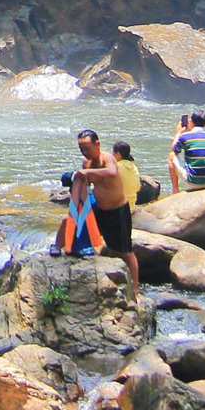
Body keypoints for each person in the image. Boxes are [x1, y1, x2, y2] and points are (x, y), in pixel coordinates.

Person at [70, 129, 138, 302]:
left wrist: (87, 174)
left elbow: (112, 172)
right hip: (99, 210)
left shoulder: (107, 158)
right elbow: (84, 185)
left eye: (87, 147)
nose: (84, 152)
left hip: (117, 210)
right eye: (81, 148)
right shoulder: (87, 163)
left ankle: (135, 291)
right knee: (91, 243)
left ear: (97, 144)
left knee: (126, 252)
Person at [169, 108, 205, 193]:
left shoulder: (185, 136)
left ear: (191, 122)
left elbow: (174, 148)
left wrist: (179, 132)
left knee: (171, 155)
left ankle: (175, 190)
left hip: (193, 181)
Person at [113, 142, 158, 206]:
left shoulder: (116, 166)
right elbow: (138, 188)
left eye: (113, 153)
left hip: (119, 206)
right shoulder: (133, 166)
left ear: (118, 154)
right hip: (131, 204)